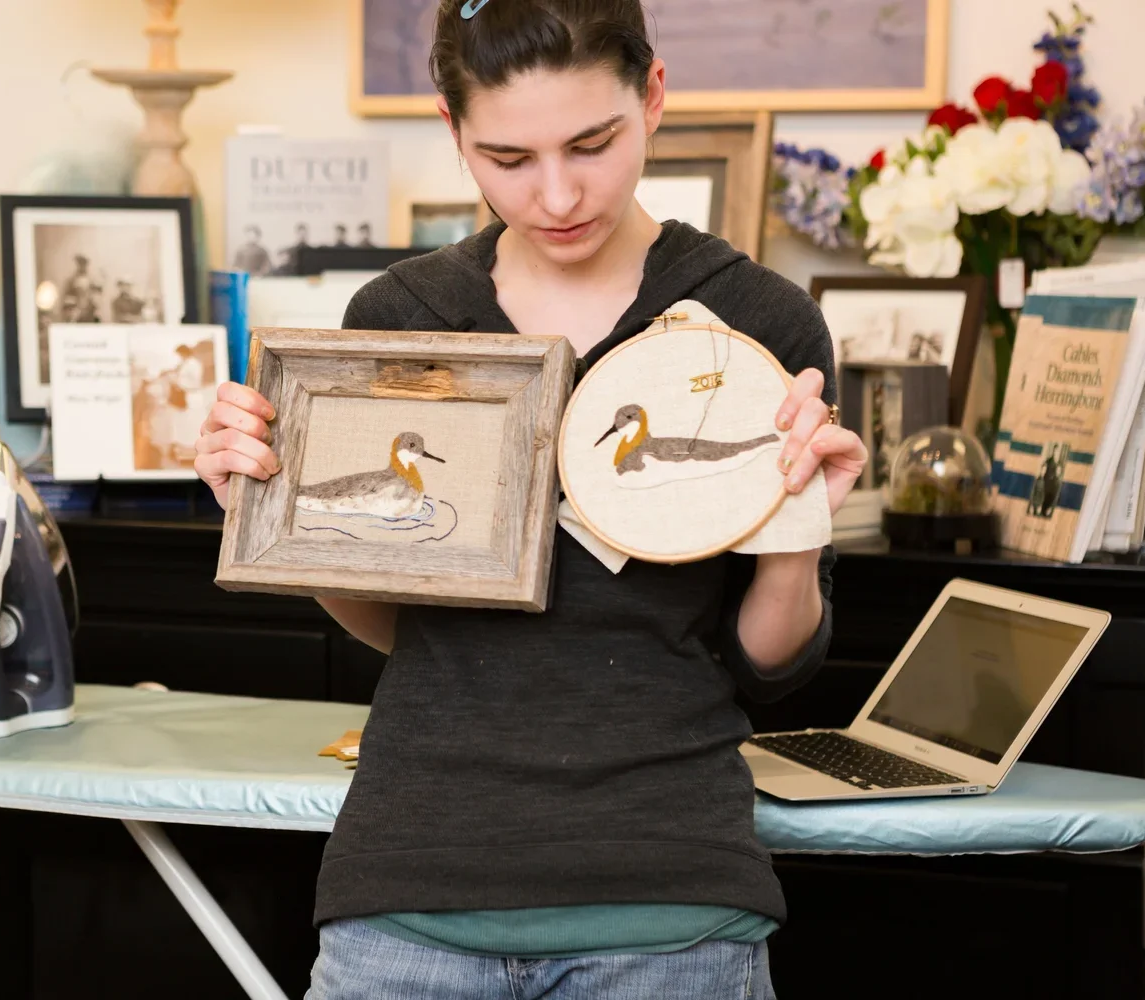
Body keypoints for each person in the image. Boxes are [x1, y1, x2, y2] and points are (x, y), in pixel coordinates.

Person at [194, 2, 868, 997]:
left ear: (653, 96)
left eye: (592, 143)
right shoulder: (402, 318)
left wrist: (799, 526)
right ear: (451, 128)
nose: (557, 194)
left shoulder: (757, 324)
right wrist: (278, 518)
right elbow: (396, 624)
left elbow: (768, 667)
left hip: (669, 910)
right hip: (408, 900)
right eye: (508, 157)